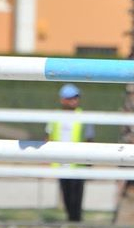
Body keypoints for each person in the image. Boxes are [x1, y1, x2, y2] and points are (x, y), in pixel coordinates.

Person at [45, 83, 94, 222]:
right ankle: (71, 220)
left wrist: (89, 161)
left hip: (78, 164)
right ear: (63, 100)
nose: (74, 100)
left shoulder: (83, 116)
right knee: (66, 196)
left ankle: (76, 221)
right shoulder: (55, 116)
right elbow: (48, 136)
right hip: (61, 165)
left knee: (77, 197)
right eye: (71, 97)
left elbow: (90, 138)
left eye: (76, 97)